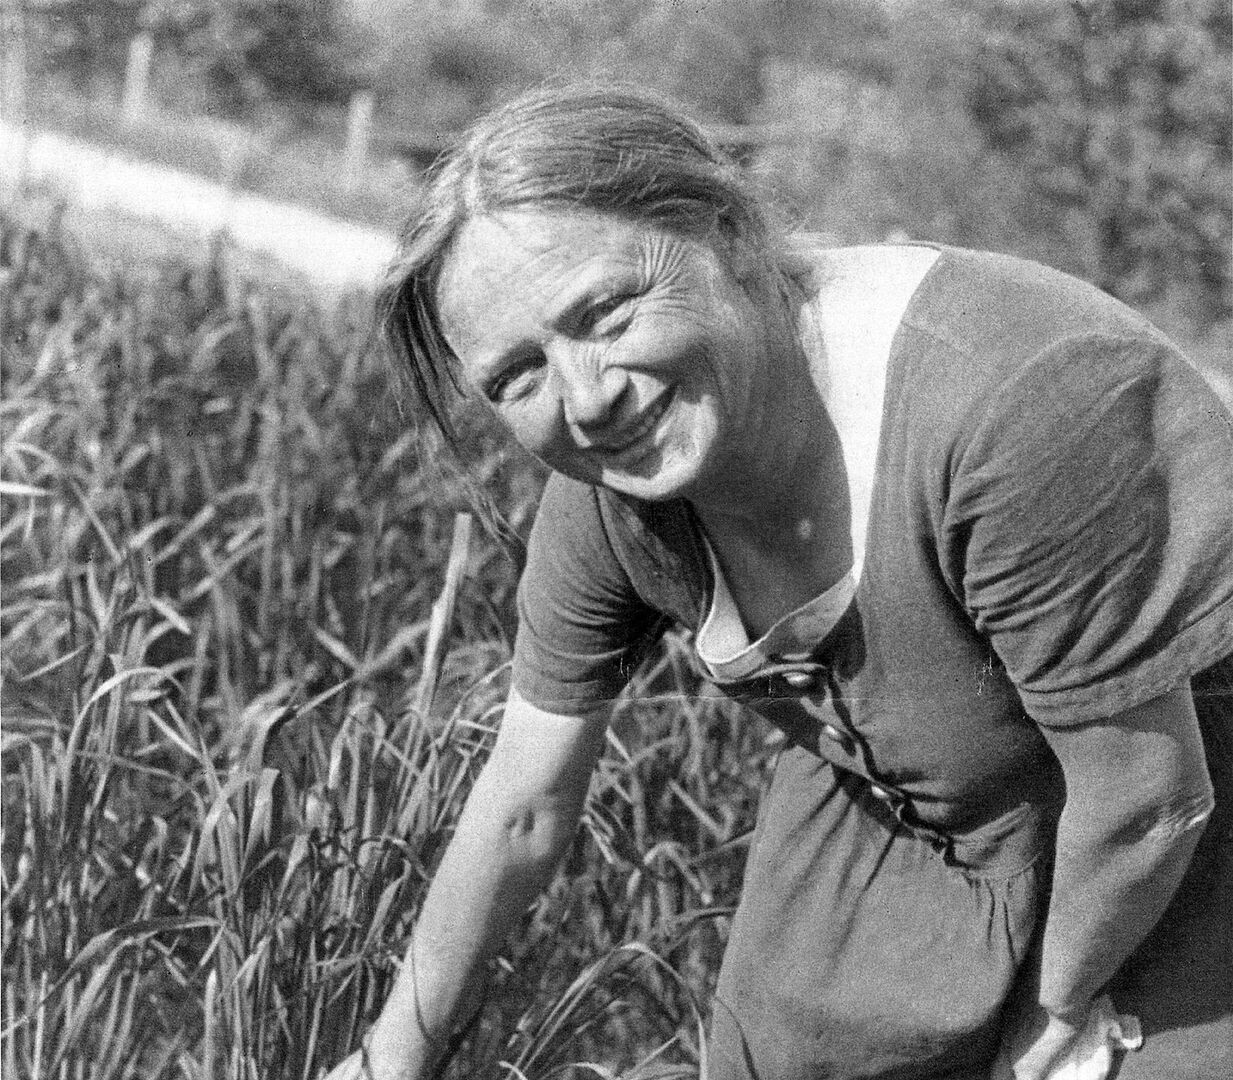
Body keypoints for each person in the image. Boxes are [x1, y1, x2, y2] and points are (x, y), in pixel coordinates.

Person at [326, 84, 1233, 1080]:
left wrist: (1050, 1022)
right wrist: (383, 1063)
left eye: (606, 311)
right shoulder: (613, 495)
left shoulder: (1012, 405)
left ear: (726, 232)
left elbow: (1148, 799)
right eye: (517, 376)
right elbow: (524, 804)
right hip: (913, 813)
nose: (585, 397)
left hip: (1176, 815)